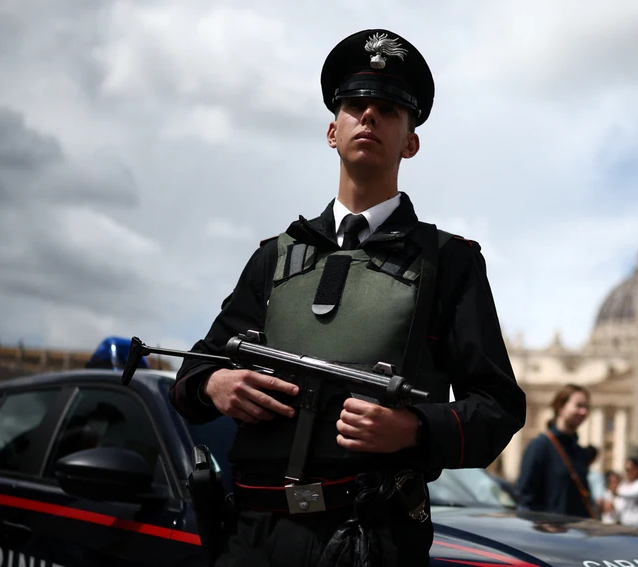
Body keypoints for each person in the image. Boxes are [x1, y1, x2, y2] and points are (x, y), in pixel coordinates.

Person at [167, 28, 527, 567]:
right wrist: (216, 383)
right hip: (254, 536)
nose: (369, 117)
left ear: (411, 141)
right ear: (332, 132)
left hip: (370, 537)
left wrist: (414, 429)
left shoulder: (449, 263)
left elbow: (499, 407)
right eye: (355, 105)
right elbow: (194, 372)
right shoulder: (275, 256)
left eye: (387, 109)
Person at [517, 384, 597, 519]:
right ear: (560, 407)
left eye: (586, 407)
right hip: (549, 534)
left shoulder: (579, 452)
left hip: (577, 533)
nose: (583, 412)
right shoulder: (540, 446)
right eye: (578, 406)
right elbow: (526, 496)